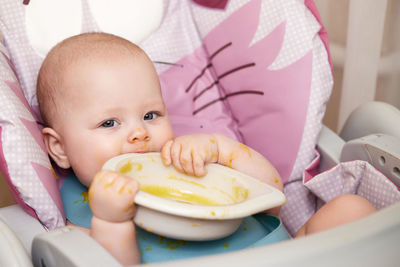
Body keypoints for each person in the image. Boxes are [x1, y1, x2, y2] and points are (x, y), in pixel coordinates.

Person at [37, 32, 376, 266]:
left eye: (151, 115)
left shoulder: (183, 160)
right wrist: (111, 221)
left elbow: (273, 197)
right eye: (109, 123)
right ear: (59, 147)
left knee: (350, 209)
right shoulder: (86, 206)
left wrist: (221, 150)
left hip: (291, 257)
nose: (139, 133)